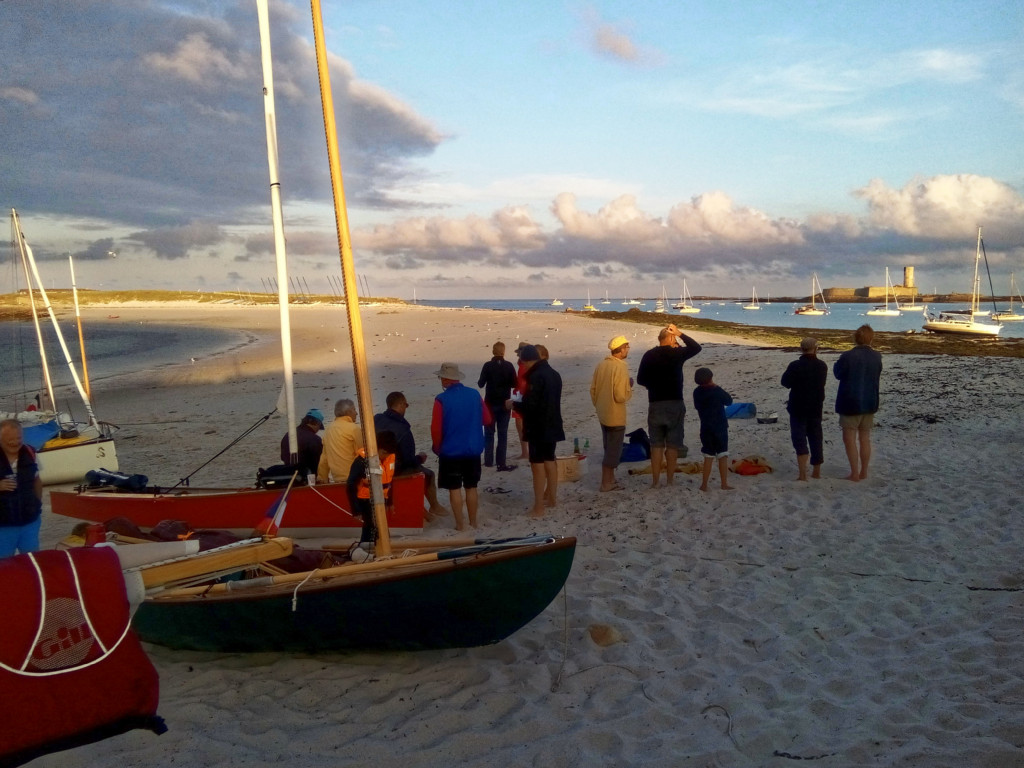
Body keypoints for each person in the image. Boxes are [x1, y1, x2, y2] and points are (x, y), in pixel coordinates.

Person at [636, 323, 702, 487]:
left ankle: (656, 481)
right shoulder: (676, 353)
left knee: (656, 445)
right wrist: (680, 333)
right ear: (671, 337)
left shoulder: (649, 355)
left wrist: (651, 386)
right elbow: (696, 348)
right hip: (674, 402)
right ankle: (670, 480)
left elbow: (640, 379)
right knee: (672, 445)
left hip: (656, 403)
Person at [431, 362, 492, 530]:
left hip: (451, 451)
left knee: (455, 488)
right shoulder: (474, 394)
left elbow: (436, 429)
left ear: (444, 379)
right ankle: (473, 522)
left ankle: (460, 525)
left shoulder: (441, 399)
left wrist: (437, 448)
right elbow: (487, 419)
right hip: (472, 448)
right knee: (471, 487)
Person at [374, 391, 447, 519]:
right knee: (428, 474)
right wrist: (420, 458)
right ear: (401, 405)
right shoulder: (403, 430)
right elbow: (408, 460)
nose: (406, 408)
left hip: (375, 464)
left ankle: (426, 509)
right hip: (394, 470)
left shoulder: (377, 418)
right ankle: (434, 506)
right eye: (406, 405)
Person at [516, 344, 565, 518]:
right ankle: (552, 499)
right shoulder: (554, 374)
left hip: (539, 426)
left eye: (524, 363)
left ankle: (538, 507)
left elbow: (531, 406)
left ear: (528, 361)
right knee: (550, 460)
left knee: (537, 466)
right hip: (552, 423)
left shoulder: (536, 376)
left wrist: (513, 404)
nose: (524, 366)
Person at [834, 324, 883, 481]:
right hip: (869, 401)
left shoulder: (848, 356)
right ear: (871, 338)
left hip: (850, 401)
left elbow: (838, 373)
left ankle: (855, 473)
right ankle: (864, 472)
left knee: (849, 439)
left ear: (856, 338)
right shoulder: (877, 356)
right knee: (864, 438)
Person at [589, 334, 633, 492]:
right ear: (621, 350)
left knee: (609, 447)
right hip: (614, 414)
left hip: (603, 412)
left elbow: (592, 389)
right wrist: (629, 387)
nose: (628, 350)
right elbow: (621, 395)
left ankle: (611, 480)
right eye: (627, 347)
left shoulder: (601, 364)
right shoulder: (620, 366)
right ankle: (606, 483)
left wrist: (598, 405)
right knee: (613, 450)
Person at [781, 337, 828, 481]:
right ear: (816, 348)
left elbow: (785, 382)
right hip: (815, 406)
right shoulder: (822, 365)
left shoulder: (795, 365)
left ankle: (802, 474)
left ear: (802, 349)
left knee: (799, 439)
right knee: (816, 438)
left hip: (798, 406)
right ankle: (816, 472)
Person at [346, 430, 398, 550]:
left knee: (381, 527)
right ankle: (365, 548)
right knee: (370, 526)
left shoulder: (390, 457)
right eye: (384, 453)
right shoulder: (361, 461)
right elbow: (350, 485)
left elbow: (389, 481)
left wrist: (390, 501)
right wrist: (356, 510)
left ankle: (381, 547)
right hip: (365, 500)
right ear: (377, 447)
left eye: (388, 453)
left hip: (382, 498)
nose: (385, 456)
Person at [0, 419, 44, 558]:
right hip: (3, 526)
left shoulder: (30, 453)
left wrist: (37, 505)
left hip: (30, 522)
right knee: (4, 567)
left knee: (33, 561)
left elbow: (37, 481)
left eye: (18, 438)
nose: (15, 442)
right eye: (10, 439)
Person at [477, 341, 517, 471]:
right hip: (504, 404)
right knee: (502, 433)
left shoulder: (488, 366)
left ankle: (489, 461)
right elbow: (514, 384)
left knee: (489, 433)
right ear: (503, 352)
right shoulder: (509, 366)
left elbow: (481, 384)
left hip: (490, 404)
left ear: (493, 351)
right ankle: (501, 462)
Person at [692, 367, 734, 492]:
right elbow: (729, 401)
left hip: (705, 427)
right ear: (711, 378)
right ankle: (724, 483)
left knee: (708, 455)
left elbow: (696, 406)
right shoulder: (717, 391)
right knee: (722, 455)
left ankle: (704, 484)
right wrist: (717, 387)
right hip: (719, 426)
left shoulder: (697, 392)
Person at [317, 398, 363, 484]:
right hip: (354, 478)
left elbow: (324, 459)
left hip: (337, 479)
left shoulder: (328, 430)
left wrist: (322, 477)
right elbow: (362, 453)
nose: (356, 413)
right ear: (348, 412)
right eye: (354, 410)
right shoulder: (354, 429)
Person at [280, 408, 324, 477]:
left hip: (287, 478)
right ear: (317, 423)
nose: (318, 430)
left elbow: (283, 457)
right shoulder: (315, 439)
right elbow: (319, 463)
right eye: (319, 427)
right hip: (307, 479)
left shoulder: (288, 435)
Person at [511, 341, 531, 459]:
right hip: (522, 396)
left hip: (521, 397)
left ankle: (525, 452)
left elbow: (522, 384)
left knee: (521, 425)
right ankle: (525, 451)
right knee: (523, 426)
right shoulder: (524, 365)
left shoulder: (523, 367)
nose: (518, 355)